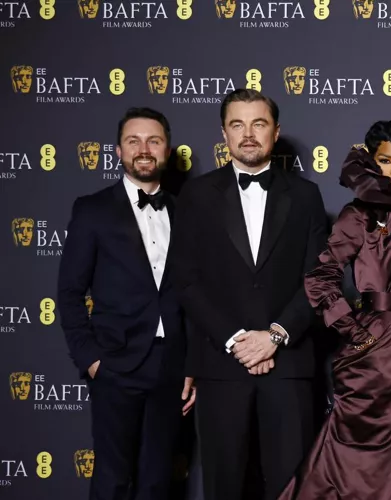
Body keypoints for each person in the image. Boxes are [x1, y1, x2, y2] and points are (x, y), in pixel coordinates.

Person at [279, 121, 391, 500]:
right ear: (371, 163)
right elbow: (321, 277)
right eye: (386, 160)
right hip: (375, 355)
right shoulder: (357, 215)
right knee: (364, 467)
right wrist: (354, 329)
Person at [173, 89, 329, 500]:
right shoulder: (196, 195)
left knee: (291, 486)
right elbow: (185, 280)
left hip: (289, 366)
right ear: (223, 134)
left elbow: (319, 279)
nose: (248, 134)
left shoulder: (306, 196)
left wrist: (274, 335)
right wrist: (236, 340)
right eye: (237, 125)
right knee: (225, 485)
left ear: (275, 132)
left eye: (258, 124)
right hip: (222, 366)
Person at [58, 107, 193, 500]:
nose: (144, 149)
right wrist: (91, 358)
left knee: (157, 480)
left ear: (167, 149)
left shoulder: (187, 212)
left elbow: (196, 294)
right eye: (134, 141)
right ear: (118, 150)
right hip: (115, 363)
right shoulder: (92, 209)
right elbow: (69, 292)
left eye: (154, 140)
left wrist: (192, 366)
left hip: (171, 366)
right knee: (112, 479)